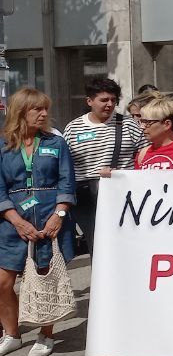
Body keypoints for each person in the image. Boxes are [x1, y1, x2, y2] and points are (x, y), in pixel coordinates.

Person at [0, 88, 75, 356]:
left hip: (49, 216)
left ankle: (46, 334)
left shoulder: (56, 143)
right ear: (21, 111)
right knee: (2, 282)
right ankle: (12, 333)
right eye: (37, 109)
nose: (44, 114)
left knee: (47, 277)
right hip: (13, 220)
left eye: (45, 109)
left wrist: (60, 213)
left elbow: (67, 181)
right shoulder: (3, 146)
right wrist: (16, 221)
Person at [61, 76, 147, 255]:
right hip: (85, 195)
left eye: (113, 100)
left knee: (123, 242)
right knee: (96, 243)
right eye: (104, 100)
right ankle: (101, 282)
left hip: (122, 191)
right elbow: (65, 164)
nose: (109, 104)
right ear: (90, 101)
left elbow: (145, 155)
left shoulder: (128, 124)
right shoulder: (73, 128)